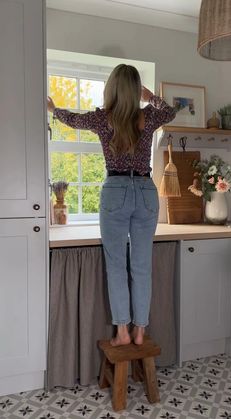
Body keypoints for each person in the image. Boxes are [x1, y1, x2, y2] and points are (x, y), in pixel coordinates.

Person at [47, 64, 176, 346]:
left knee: (117, 265)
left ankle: (122, 332)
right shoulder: (149, 116)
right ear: (135, 90)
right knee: (142, 266)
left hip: (115, 189)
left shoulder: (102, 118)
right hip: (145, 190)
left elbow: (72, 120)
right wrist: (150, 95)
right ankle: (140, 331)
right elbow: (171, 111)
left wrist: (53, 109)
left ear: (112, 88)